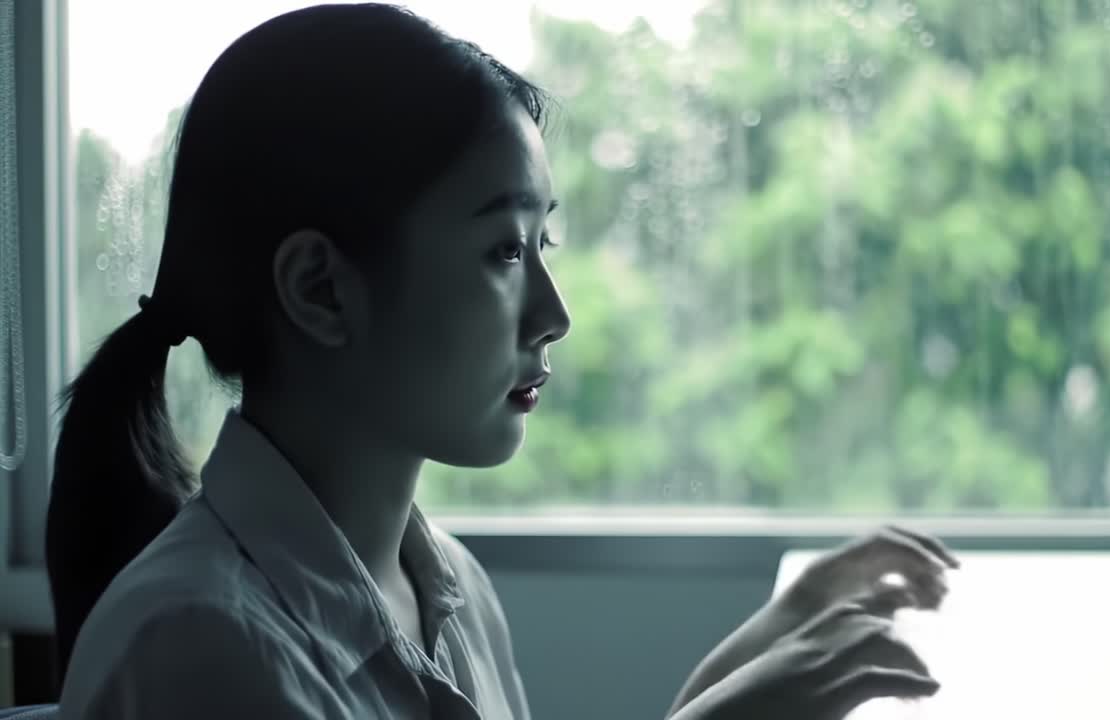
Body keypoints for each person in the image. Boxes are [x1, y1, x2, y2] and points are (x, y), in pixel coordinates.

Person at [45, 4, 959, 719]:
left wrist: (777, 633)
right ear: (321, 289)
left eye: (542, 243)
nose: (554, 316)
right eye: (504, 252)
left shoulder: (450, 590)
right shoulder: (195, 645)